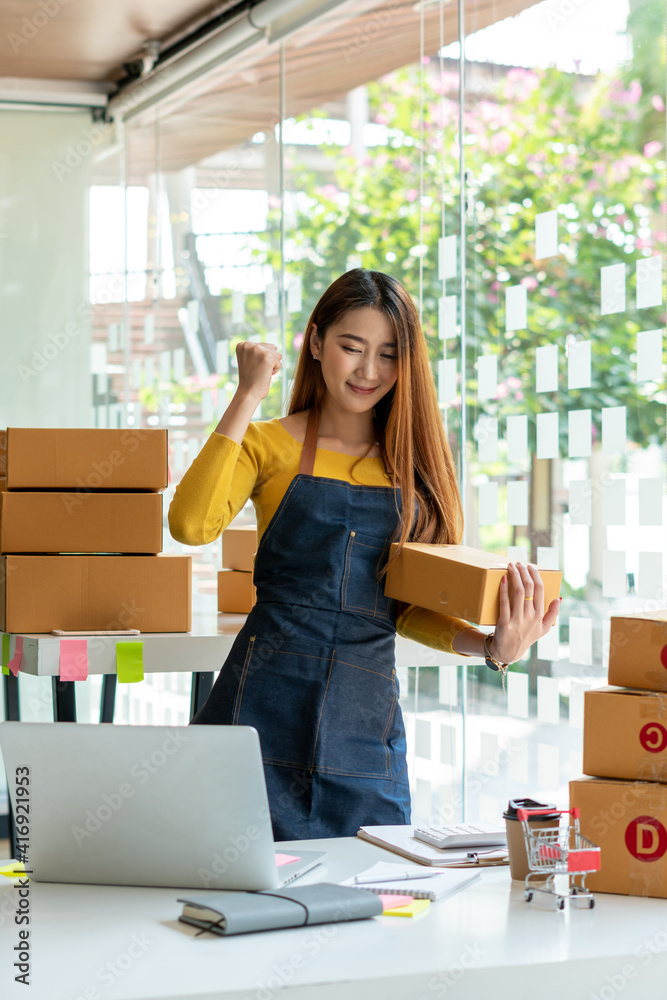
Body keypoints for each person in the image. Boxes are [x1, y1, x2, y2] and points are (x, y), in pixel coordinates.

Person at [169, 268, 560, 840]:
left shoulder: (412, 466)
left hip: (363, 727)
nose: (368, 371)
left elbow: (403, 608)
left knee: (369, 899)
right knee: (234, 885)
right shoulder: (268, 444)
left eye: (388, 354)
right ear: (318, 341)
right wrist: (248, 394)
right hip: (258, 709)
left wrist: (493, 648)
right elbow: (189, 524)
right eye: (352, 347)